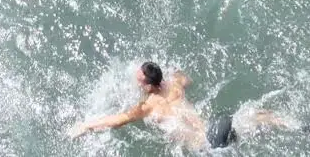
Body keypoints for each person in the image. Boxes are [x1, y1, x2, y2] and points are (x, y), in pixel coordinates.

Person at [68, 61, 286, 147]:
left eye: (140, 80)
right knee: (254, 118)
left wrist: (87, 126)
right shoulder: (175, 84)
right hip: (214, 129)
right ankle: (292, 124)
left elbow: (118, 120)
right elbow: (186, 78)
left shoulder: (148, 106)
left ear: (149, 86)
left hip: (203, 148)